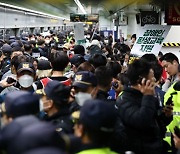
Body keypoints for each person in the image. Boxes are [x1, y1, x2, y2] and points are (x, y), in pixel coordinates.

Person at [116, 59, 173, 154]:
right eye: (152, 76)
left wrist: (165, 115)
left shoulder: (148, 96)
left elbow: (155, 123)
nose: (155, 79)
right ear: (141, 80)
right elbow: (142, 121)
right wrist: (148, 97)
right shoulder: (124, 100)